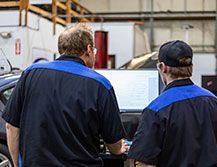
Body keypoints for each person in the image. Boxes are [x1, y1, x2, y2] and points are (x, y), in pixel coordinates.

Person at [2, 23, 127, 167]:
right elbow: (114, 144)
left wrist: (18, 164)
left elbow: (11, 126)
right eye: (95, 50)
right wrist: (119, 149)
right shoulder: (100, 84)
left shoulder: (30, 73)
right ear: (88, 49)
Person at [128, 40, 217, 167]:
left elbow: (144, 162)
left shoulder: (156, 109)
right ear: (190, 67)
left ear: (163, 67)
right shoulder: (212, 100)